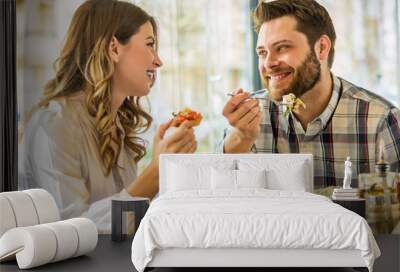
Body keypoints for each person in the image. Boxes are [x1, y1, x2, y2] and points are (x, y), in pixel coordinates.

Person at [19, 0, 197, 232]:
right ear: (114, 48)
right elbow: (71, 231)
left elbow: (124, 225)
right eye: (150, 44)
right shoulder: (53, 125)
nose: (158, 60)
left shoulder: (117, 125)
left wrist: (165, 168)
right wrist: (155, 173)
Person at [221, 0, 400, 190]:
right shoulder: (247, 118)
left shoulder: (380, 121)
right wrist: (241, 138)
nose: (268, 63)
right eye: (262, 52)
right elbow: (223, 203)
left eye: (282, 47)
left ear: (321, 48)